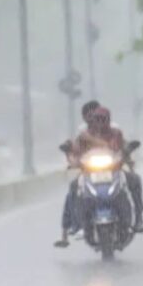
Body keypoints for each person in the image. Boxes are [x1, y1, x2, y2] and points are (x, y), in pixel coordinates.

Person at [54, 100, 101, 248]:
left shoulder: (111, 129)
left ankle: (136, 218)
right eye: (89, 116)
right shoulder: (82, 134)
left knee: (131, 181)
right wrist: (70, 154)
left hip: (112, 171)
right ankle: (72, 227)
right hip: (89, 172)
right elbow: (75, 152)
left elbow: (121, 146)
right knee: (73, 189)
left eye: (95, 114)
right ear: (85, 118)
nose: (92, 118)